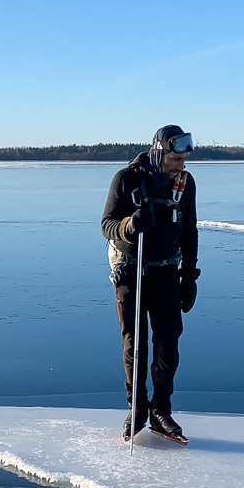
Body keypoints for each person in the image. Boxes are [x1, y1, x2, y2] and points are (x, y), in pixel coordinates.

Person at [101, 124, 200, 444]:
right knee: (135, 342)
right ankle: (137, 408)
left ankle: (161, 410)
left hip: (167, 270)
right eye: (176, 158)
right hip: (130, 269)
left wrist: (189, 275)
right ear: (159, 153)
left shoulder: (185, 184)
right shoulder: (127, 179)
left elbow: (190, 231)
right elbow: (107, 224)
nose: (181, 164)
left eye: (184, 158)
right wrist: (130, 225)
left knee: (168, 343)